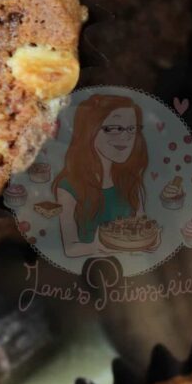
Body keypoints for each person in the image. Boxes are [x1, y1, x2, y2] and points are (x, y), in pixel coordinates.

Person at [54, 92, 150, 263]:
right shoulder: (68, 186)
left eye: (131, 129)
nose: (126, 137)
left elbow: (142, 228)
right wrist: (95, 246)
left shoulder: (131, 180)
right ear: (90, 129)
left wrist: (149, 240)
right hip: (91, 270)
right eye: (114, 128)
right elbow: (70, 248)